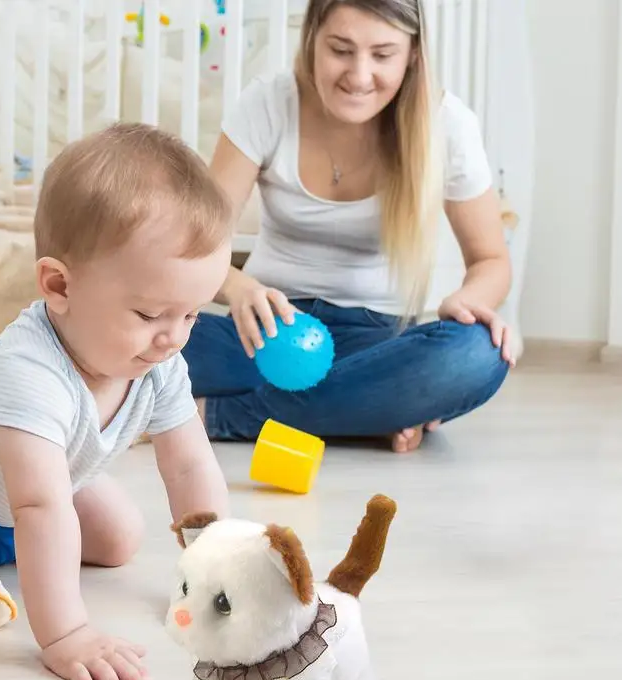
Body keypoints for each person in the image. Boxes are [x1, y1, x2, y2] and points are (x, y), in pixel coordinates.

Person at [0, 123, 232, 680]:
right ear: (58, 285)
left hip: (38, 481)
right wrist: (66, 633)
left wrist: (216, 562)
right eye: (149, 314)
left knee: (120, 539)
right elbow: (41, 508)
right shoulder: (27, 371)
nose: (174, 337)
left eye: (191, 314)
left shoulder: (158, 360)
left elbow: (190, 465)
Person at [183, 0, 515, 453]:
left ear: (413, 54)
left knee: (478, 353)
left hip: (377, 345)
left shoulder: (448, 125)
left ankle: (216, 417)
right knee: (140, 334)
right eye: (341, 50)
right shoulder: (267, 103)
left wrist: (467, 299)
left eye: (382, 55)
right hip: (268, 333)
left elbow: (491, 260)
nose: (359, 76)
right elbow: (196, 245)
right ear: (312, 39)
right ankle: (362, 413)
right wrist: (239, 288)